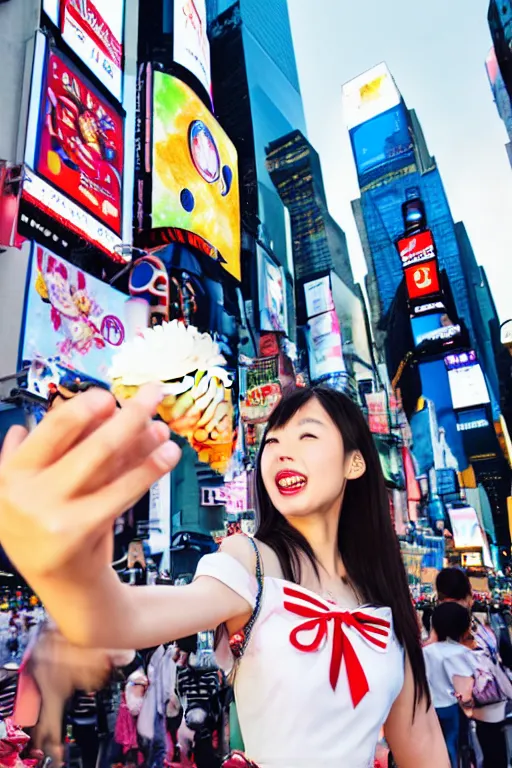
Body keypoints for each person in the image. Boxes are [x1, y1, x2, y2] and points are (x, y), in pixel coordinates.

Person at [0, 384, 449, 766]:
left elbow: (423, 742)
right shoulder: (251, 559)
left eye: (307, 435)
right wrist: (68, 573)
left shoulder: (383, 598)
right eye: (271, 443)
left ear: (355, 463)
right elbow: (118, 616)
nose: (281, 453)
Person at [435, 567, 510, 767]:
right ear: (468, 595)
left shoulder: (437, 625)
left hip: (454, 713)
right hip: (486, 711)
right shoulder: (474, 624)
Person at [423, 603, 476, 767]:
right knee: (453, 745)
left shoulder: (426, 652)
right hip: (454, 707)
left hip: (430, 707)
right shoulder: (465, 654)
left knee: (432, 746)